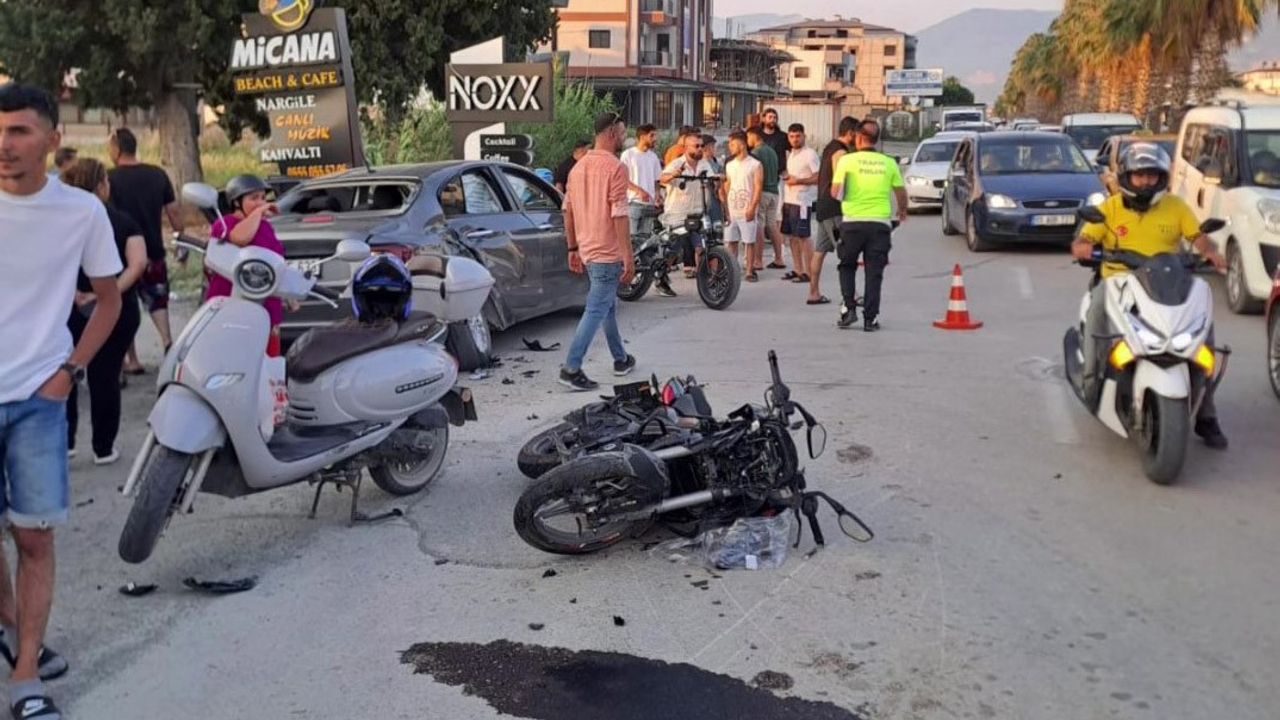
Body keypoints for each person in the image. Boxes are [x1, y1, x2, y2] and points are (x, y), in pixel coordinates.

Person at [0, 82, 124, 720]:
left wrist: (69, 372)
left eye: (19, 131)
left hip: (37, 400)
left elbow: (110, 300)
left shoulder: (80, 212)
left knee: (33, 538)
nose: (4, 144)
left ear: (53, 139)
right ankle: (12, 626)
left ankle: (26, 676)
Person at [1071, 143, 1229, 448]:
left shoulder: (1176, 207)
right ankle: (1091, 384)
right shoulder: (1110, 208)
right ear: (1126, 177)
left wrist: (1211, 253)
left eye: (1152, 176)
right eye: (1140, 175)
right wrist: (1084, 248)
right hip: (1118, 282)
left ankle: (1206, 414)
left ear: (1162, 178)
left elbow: (1198, 237)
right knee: (1096, 321)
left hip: (1166, 281)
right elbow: (1082, 241)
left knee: (1202, 340)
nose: (1146, 182)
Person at [61, 159, 146, 465]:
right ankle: (103, 447)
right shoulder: (123, 221)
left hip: (69, 307)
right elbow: (137, 263)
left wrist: (73, 293)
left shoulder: (62, 223)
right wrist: (106, 294)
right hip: (116, 309)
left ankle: (66, 442)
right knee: (106, 376)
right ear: (100, 185)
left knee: (65, 371)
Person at [560, 111, 637, 391]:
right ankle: (571, 368)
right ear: (612, 133)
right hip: (607, 252)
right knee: (596, 308)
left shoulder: (577, 168)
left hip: (588, 250)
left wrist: (572, 247)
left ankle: (621, 359)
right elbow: (619, 214)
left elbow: (567, 211)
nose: (624, 137)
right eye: (622, 132)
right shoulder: (616, 168)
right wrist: (628, 256)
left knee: (607, 306)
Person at [108, 127, 184, 374]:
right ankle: (167, 342)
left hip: (122, 254)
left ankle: (131, 358)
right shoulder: (157, 175)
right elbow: (173, 211)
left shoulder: (109, 179)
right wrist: (180, 240)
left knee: (124, 305)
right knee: (158, 300)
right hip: (153, 249)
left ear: (116, 149)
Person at [831, 121, 907, 331]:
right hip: (879, 224)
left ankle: (849, 309)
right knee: (874, 272)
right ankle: (870, 319)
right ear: (877, 139)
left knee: (847, 266)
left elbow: (835, 192)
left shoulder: (847, 161)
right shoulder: (889, 163)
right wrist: (902, 211)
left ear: (858, 137)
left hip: (852, 223)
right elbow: (900, 192)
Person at [208, 175, 289, 357]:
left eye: (263, 198)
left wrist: (288, 294)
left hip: (267, 307)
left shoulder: (266, 228)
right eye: (254, 198)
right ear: (237, 202)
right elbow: (240, 238)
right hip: (231, 309)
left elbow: (277, 262)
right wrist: (258, 213)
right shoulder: (224, 224)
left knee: (268, 362)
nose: (260, 202)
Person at [808, 116, 858, 306]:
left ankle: (813, 293)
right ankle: (851, 295)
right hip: (835, 208)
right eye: (857, 134)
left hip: (824, 207)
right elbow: (840, 180)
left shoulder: (830, 147)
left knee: (819, 251)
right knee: (846, 252)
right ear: (851, 133)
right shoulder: (841, 152)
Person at [659, 132, 714, 278]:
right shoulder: (677, 163)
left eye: (702, 146)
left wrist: (717, 181)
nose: (700, 149)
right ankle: (660, 275)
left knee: (701, 246)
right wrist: (674, 175)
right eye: (696, 146)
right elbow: (662, 179)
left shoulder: (704, 164)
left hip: (698, 212)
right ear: (686, 148)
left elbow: (712, 181)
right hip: (678, 214)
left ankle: (704, 279)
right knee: (673, 249)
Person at [781, 123, 820, 288]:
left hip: (803, 201)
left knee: (803, 237)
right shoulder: (791, 154)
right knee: (792, 237)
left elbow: (818, 177)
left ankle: (810, 272)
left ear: (804, 136)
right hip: (789, 200)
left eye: (798, 136)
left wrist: (798, 181)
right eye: (791, 136)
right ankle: (798, 270)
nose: (795, 139)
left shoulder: (810, 154)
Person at [720, 131, 763, 277]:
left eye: (733, 144)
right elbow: (728, 185)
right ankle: (732, 269)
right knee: (730, 241)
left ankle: (750, 270)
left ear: (742, 144)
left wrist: (752, 207)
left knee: (749, 241)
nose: (730, 147)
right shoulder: (730, 165)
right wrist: (725, 206)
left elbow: (758, 188)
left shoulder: (755, 165)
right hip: (732, 209)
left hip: (747, 208)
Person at [746, 126, 785, 273]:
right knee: (772, 225)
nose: (747, 140)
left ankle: (758, 260)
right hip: (774, 191)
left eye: (748, 137)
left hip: (762, 192)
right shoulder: (772, 151)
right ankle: (779, 258)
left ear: (753, 136)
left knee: (759, 226)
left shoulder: (756, 153)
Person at [619, 123, 662, 236]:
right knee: (631, 238)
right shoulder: (628, 155)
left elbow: (657, 180)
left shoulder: (653, 157)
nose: (655, 139)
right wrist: (639, 191)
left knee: (646, 239)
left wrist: (658, 194)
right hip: (633, 203)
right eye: (652, 135)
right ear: (642, 137)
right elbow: (622, 179)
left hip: (650, 204)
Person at [701, 134, 725, 227]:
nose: (715, 149)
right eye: (712, 146)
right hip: (706, 196)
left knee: (717, 223)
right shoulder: (700, 163)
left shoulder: (715, 162)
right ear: (705, 147)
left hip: (716, 197)